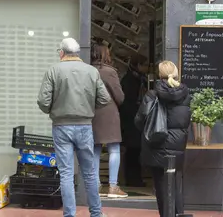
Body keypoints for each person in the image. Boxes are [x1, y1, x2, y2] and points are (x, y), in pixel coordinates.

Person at [37, 38, 111, 217]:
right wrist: (88, 108)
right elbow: (105, 98)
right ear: (77, 53)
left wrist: (53, 110)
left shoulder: (53, 70)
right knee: (90, 173)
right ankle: (96, 213)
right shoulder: (91, 71)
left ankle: (69, 214)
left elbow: (43, 101)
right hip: (85, 126)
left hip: (61, 126)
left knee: (66, 174)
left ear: (61, 52)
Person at [134, 61, 191, 217]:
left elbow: (139, 121)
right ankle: (179, 214)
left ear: (160, 75)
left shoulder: (151, 95)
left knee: (161, 186)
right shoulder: (185, 95)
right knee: (176, 185)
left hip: (157, 146)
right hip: (177, 147)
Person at [90, 43, 127, 198]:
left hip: (91, 112)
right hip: (109, 112)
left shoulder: (88, 70)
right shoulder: (110, 72)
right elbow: (120, 96)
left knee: (95, 150)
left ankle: (96, 186)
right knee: (114, 149)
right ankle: (113, 187)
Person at [119, 55, 149, 187]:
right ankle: (133, 180)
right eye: (145, 65)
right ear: (138, 65)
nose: (147, 68)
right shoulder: (131, 81)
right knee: (133, 151)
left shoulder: (135, 79)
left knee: (134, 151)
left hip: (132, 120)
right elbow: (128, 103)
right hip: (131, 121)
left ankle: (133, 179)